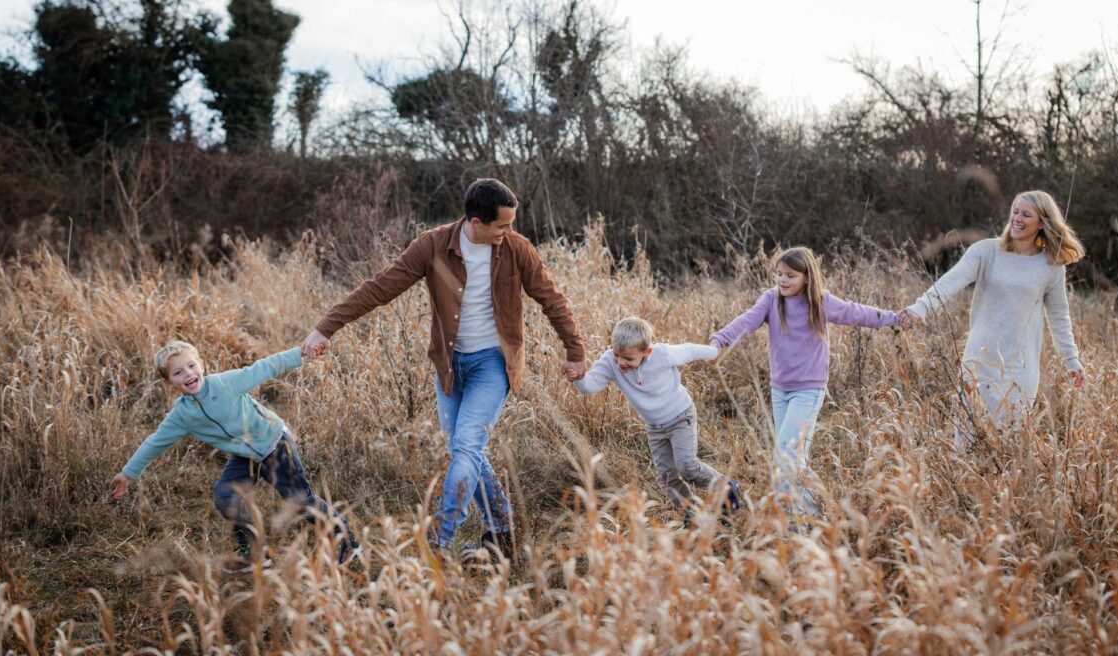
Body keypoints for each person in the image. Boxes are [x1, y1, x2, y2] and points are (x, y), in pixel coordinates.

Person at [301, 178, 585, 559]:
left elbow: (553, 300)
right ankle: (503, 534)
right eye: (502, 225)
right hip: (450, 366)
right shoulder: (433, 246)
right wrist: (326, 326)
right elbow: (381, 287)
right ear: (475, 221)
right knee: (467, 451)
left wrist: (575, 350)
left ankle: (439, 541)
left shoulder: (517, 249)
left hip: (493, 364)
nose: (509, 231)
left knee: (465, 447)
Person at [110, 341, 358, 572]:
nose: (187, 374)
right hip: (245, 455)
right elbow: (155, 442)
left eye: (191, 366)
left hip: (274, 443)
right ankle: (254, 555)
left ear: (201, 366)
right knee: (226, 495)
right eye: (177, 373)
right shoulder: (181, 416)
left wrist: (301, 353)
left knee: (299, 500)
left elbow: (265, 367)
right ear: (167, 383)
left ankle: (347, 545)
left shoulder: (225, 384)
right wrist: (128, 473)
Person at [711, 247, 899, 518]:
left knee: (785, 455)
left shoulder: (820, 302)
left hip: (808, 390)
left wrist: (893, 318)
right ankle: (814, 511)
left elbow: (855, 313)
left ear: (807, 277)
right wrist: (720, 340)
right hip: (780, 390)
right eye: (778, 274)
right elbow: (746, 321)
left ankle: (802, 519)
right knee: (793, 457)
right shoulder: (771, 300)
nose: (782, 280)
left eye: (790, 275)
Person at [900, 190, 1085, 443]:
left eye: (1026, 214)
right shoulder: (986, 251)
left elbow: (1059, 317)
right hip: (979, 360)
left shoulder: (1051, 266)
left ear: (1042, 223)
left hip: (1021, 368)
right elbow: (950, 282)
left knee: (1011, 442)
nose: (1017, 218)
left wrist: (1072, 360)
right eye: (1015, 211)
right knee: (967, 437)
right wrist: (920, 307)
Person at [571, 316, 742, 526]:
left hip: (681, 417)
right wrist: (578, 377)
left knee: (686, 466)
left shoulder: (661, 354)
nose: (621, 362)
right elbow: (590, 385)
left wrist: (714, 352)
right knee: (667, 475)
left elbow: (689, 350)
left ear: (647, 352)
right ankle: (691, 513)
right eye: (617, 355)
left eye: (629, 358)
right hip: (655, 427)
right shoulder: (610, 361)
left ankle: (726, 487)